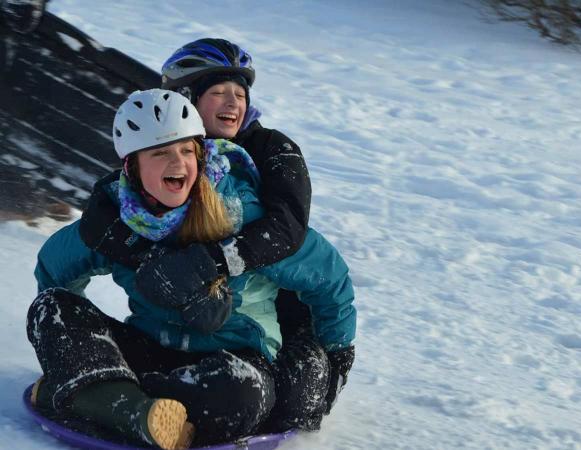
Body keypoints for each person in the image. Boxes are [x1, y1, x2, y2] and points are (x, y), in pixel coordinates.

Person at [28, 89, 356, 449]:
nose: (178, 162)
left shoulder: (242, 215)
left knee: (244, 394)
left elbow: (330, 279)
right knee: (52, 308)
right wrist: (79, 345)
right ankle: (131, 408)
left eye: (187, 151)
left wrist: (337, 353)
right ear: (132, 167)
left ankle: (96, 393)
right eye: (161, 153)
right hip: (152, 350)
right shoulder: (119, 222)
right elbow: (54, 270)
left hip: (232, 361)